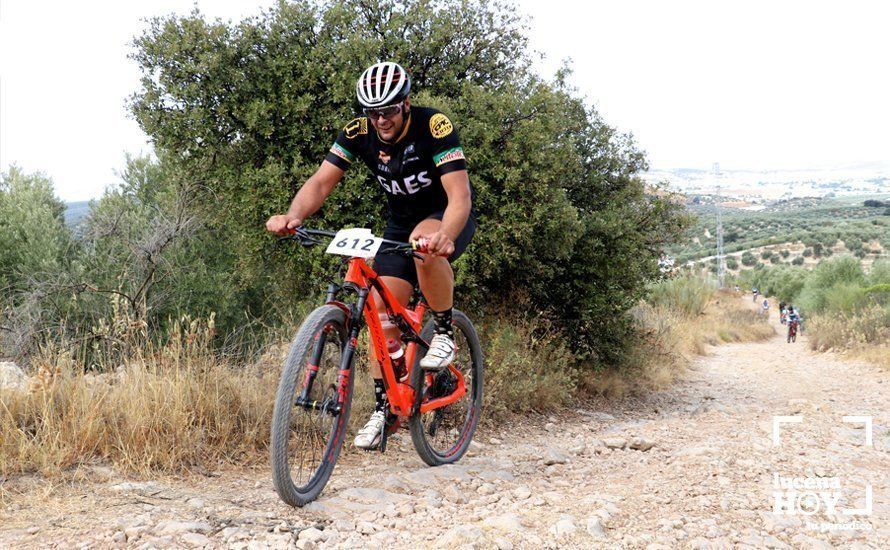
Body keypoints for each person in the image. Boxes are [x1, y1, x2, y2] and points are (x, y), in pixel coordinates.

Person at [265, 62, 476, 450]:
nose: (381, 120)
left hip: (445, 215)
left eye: (389, 111)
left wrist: (446, 234)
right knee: (378, 311)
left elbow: (459, 195)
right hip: (399, 225)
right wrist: (294, 216)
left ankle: (444, 331)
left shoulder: (434, 126)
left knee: (423, 245)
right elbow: (321, 182)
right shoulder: (357, 133)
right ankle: (387, 404)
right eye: (372, 112)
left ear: (406, 104)